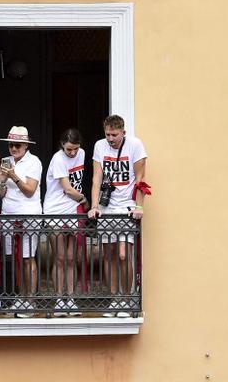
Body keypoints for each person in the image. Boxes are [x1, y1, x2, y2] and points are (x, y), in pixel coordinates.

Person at [88, 115, 147, 318]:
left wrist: (139, 205)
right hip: (107, 207)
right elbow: (96, 178)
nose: (110, 139)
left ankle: (127, 297)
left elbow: (140, 179)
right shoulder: (99, 146)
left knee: (123, 254)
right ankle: (114, 299)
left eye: (114, 135)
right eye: (107, 135)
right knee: (109, 254)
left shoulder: (135, 145)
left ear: (123, 132)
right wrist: (94, 206)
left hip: (126, 207)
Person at [0, 126, 42, 317]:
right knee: (13, 258)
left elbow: (30, 190)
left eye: (17, 145)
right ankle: (19, 298)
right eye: (10, 145)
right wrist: (1, 180)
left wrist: (14, 176)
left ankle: (30, 302)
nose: (13, 149)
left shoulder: (34, 162)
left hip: (28, 215)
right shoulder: (5, 162)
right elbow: (0, 194)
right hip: (9, 214)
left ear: (25, 145)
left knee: (27, 258)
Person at [43, 128, 87, 315]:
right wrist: (85, 200)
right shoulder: (58, 159)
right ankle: (60, 299)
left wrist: (79, 203)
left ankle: (71, 298)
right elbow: (68, 189)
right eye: (69, 149)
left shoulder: (82, 154)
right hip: (56, 211)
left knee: (71, 258)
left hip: (72, 211)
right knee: (60, 257)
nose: (73, 153)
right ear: (62, 144)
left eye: (75, 149)